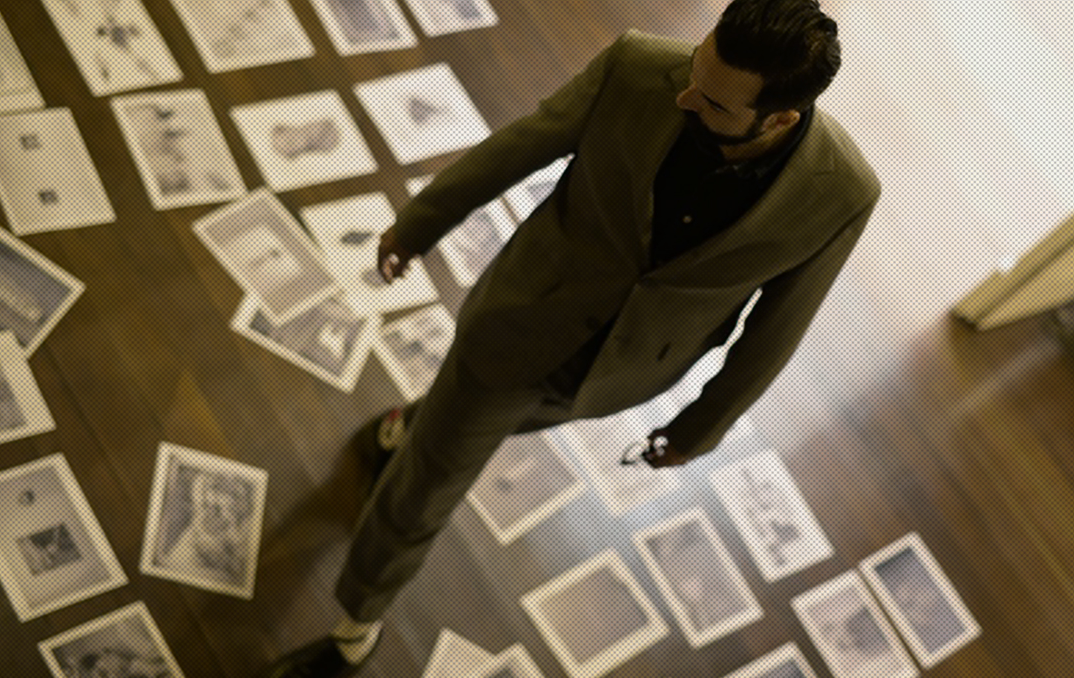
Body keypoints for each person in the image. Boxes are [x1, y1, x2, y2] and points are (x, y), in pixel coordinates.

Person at [266, 1, 878, 675]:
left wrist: (700, 427)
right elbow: (522, 143)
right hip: (519, 323)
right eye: (695, 67)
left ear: (781, 118)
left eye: (710, 101)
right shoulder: (637, 66)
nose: (683, 94)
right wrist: (418, 224)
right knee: (425, 488)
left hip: (620, 378)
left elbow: (779, 328)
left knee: (456, 429)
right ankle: (357, 630)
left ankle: (405, 427)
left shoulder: (844, 193)